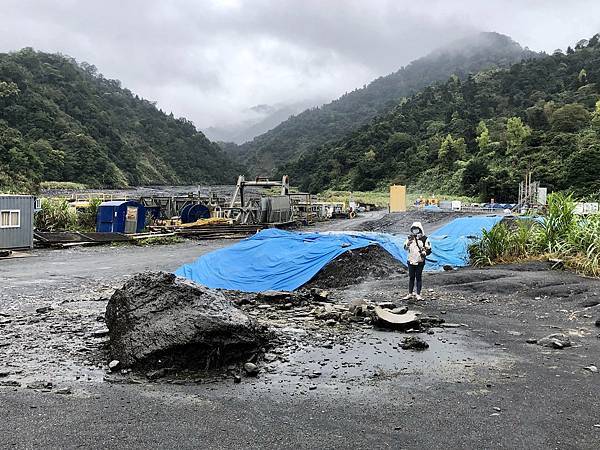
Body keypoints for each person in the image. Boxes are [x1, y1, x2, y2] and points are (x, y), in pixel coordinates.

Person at [403, 221, 431, 300]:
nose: (415, 231)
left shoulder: (424, 238)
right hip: (411, 260)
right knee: (411, 277)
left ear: (420, 229)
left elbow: (429, 249)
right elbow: (405, 248)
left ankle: (418, 294)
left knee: (418, 277)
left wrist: (424, 253)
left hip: (420, 261)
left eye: (416, 229)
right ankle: (410, 293)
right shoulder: (409, 238)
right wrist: (408, 243)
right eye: (413, 229)